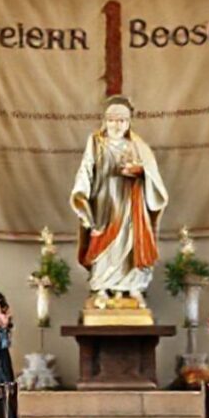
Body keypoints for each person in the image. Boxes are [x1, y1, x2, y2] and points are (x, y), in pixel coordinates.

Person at [70, 95, 169, 307]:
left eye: (122, 120)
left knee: (130, 243)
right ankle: (102, 287)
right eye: (113, 119)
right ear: (105, 120)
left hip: (131, 204)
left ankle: (133, 286)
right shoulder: (96, 142)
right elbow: (86, 169)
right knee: (103, 244)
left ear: (129, 121)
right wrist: (81, 195)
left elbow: (153, 175)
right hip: (104, 204)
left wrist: (141, 172)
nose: (117, 124)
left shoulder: (137, 145)